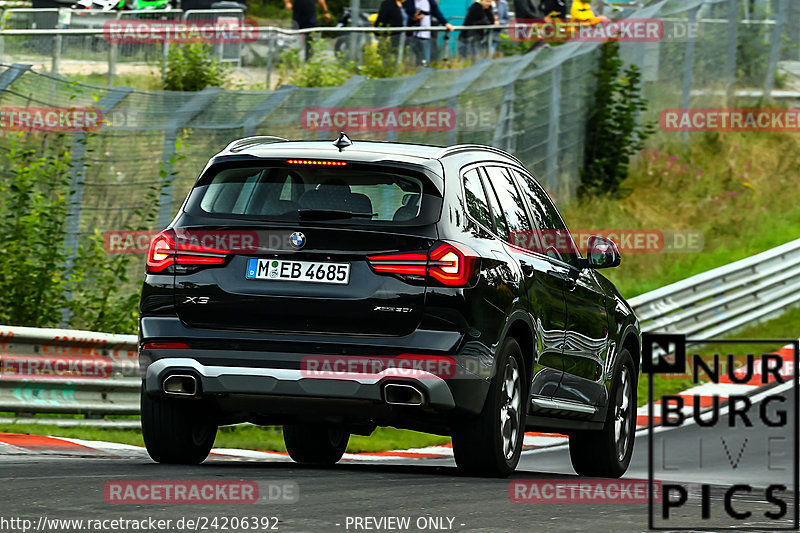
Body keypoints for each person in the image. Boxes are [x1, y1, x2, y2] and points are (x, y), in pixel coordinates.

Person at [403, 0, 454, 66]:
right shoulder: (408, 2)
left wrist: (445, 23)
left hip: (425, 36)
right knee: (408, 60)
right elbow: (405, 18)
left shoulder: (430, 1)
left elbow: (437, 12)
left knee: (425, 61)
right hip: (411, 36)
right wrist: (414, 19)